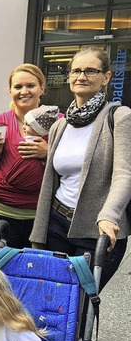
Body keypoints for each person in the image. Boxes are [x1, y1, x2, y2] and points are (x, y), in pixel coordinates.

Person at [30, 48, 131, 290]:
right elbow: (50, 182)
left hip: (97, 230)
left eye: (90, 71)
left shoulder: (119, 117)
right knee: (50, 300)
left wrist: (110, 215)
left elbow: (124, 173)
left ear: (106, 77)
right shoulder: (60, 125)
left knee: (80, 304)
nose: (81, 76)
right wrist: (38, 232)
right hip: (56, 223)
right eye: (76, 70)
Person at [0, 64, 59, 253]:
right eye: (18, 87)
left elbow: (71, 170)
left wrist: (49, 153)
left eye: (30, 86)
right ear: (10, 91)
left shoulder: (59, 123)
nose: (24, 91)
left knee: (32, 276)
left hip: (40, 218)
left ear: (42, 88)